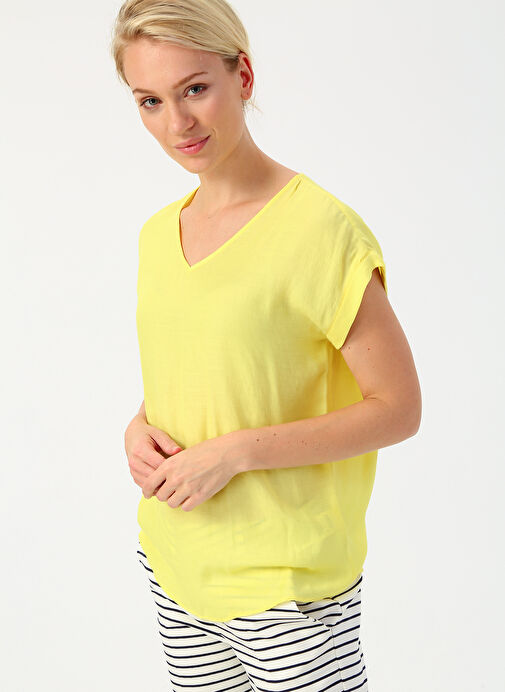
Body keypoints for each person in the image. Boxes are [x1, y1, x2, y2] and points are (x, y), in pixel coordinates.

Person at [111, 1, 422, 689]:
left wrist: (236, 453)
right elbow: (212, 369)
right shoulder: (158, 236)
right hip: (177, 561)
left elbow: (398, 408)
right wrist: (139, 426)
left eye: (195, 88)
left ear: (243, 76)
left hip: (288, 582)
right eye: (150, 101)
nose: (177, 122)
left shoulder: (321, 231)